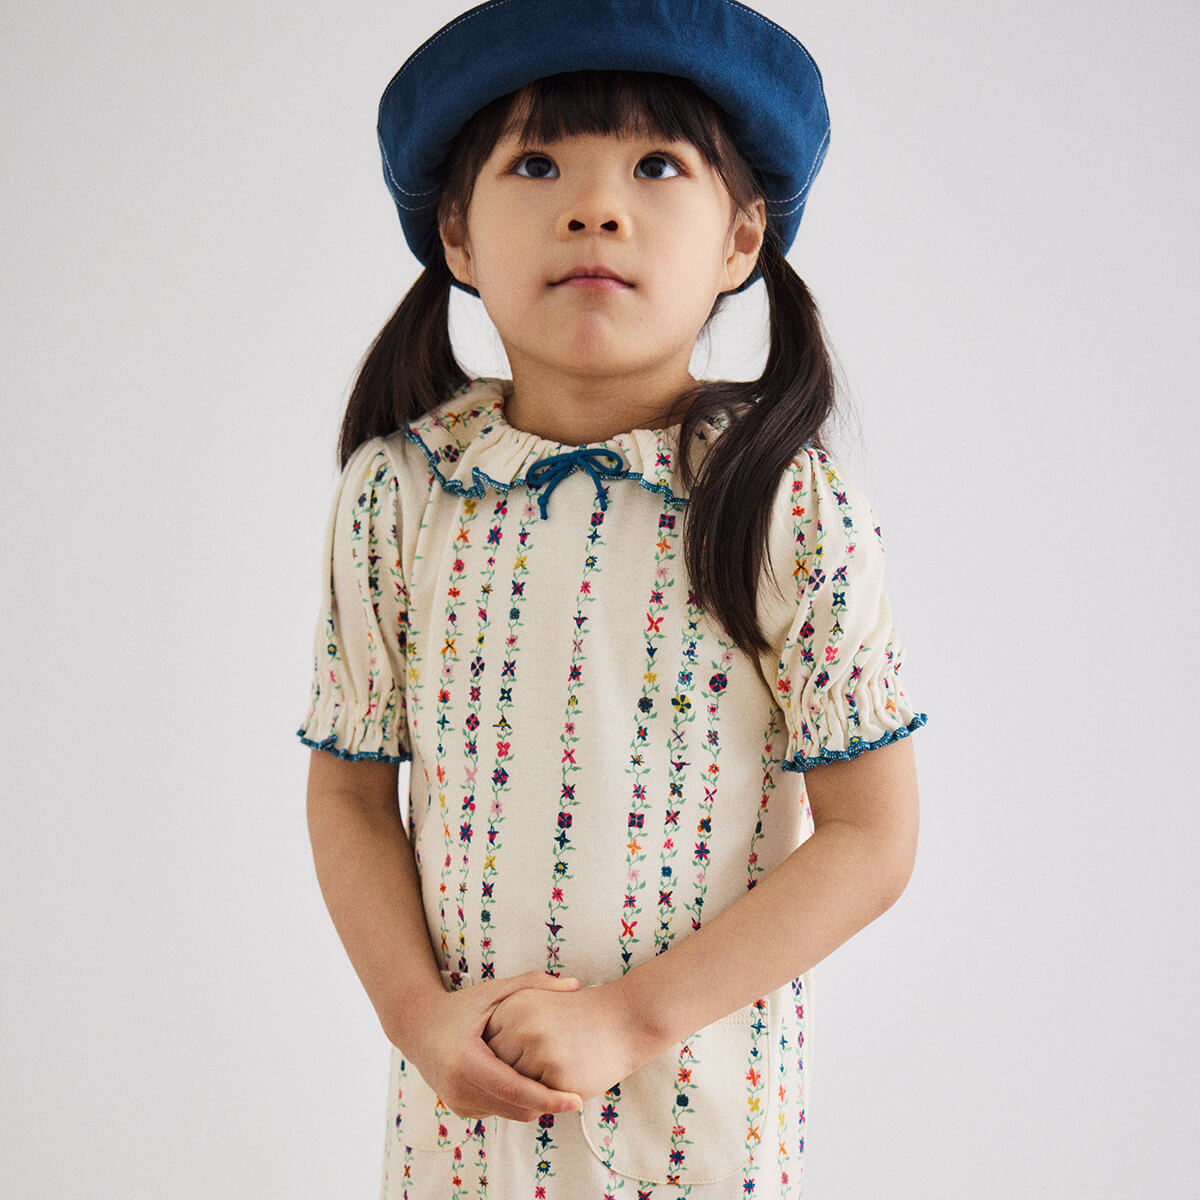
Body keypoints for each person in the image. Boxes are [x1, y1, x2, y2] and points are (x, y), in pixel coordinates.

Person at [298, 2, 928, 1196]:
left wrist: (630, 1018)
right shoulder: (401, 494)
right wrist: (419, 1020)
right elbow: (349, 792)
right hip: (460, 1134)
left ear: (741, 237)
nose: (596, 207)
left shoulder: (780, 501)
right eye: (537, 164)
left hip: (700, 1132)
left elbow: (872, 836)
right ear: (457, 233)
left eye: (657, 166)